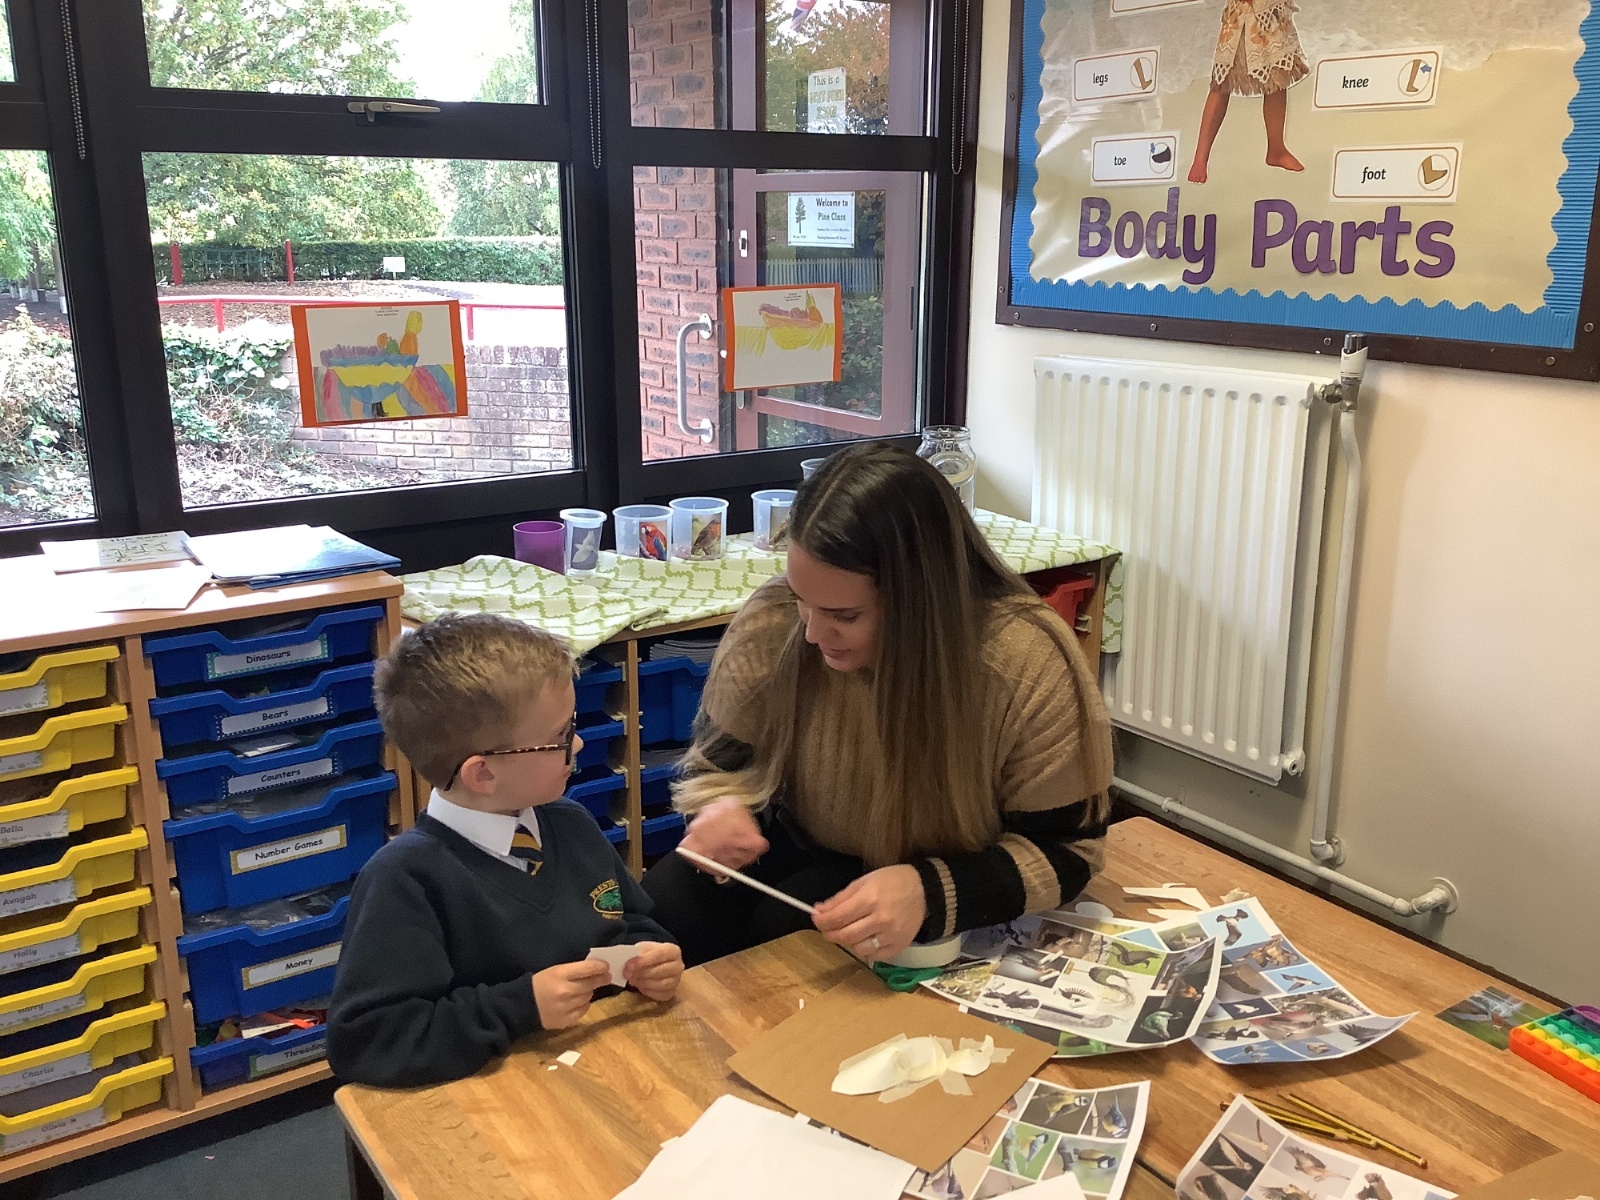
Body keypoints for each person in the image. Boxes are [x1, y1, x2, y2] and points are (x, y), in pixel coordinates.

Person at [641, 442, 1114, 967]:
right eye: (801, 599)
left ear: (922, 602)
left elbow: (1070, 852)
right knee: (666, 907)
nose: (812, 633)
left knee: (796, 942)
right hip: (801, 838)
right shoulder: (775, 621)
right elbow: (717, 766)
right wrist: (723, 807)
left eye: (844, 616)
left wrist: (930, 892)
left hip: (952, 869)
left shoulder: (1022, 659)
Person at [327, 614, 683, 1087]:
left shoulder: (570, 823)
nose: (577, 743)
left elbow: (631, 921)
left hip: (601, 1070)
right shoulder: (406, 879)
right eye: (559, 737)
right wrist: (521, 1006)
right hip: (491, 1099)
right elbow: (369, 1041)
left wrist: (649, 955)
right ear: (484, 774)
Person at [1187, 0, 1309, 184]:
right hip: (1242, 13)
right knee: (1221, 82)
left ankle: (1276, 148)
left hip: (1273, 10)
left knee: (1277, 78)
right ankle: (1200, 158)